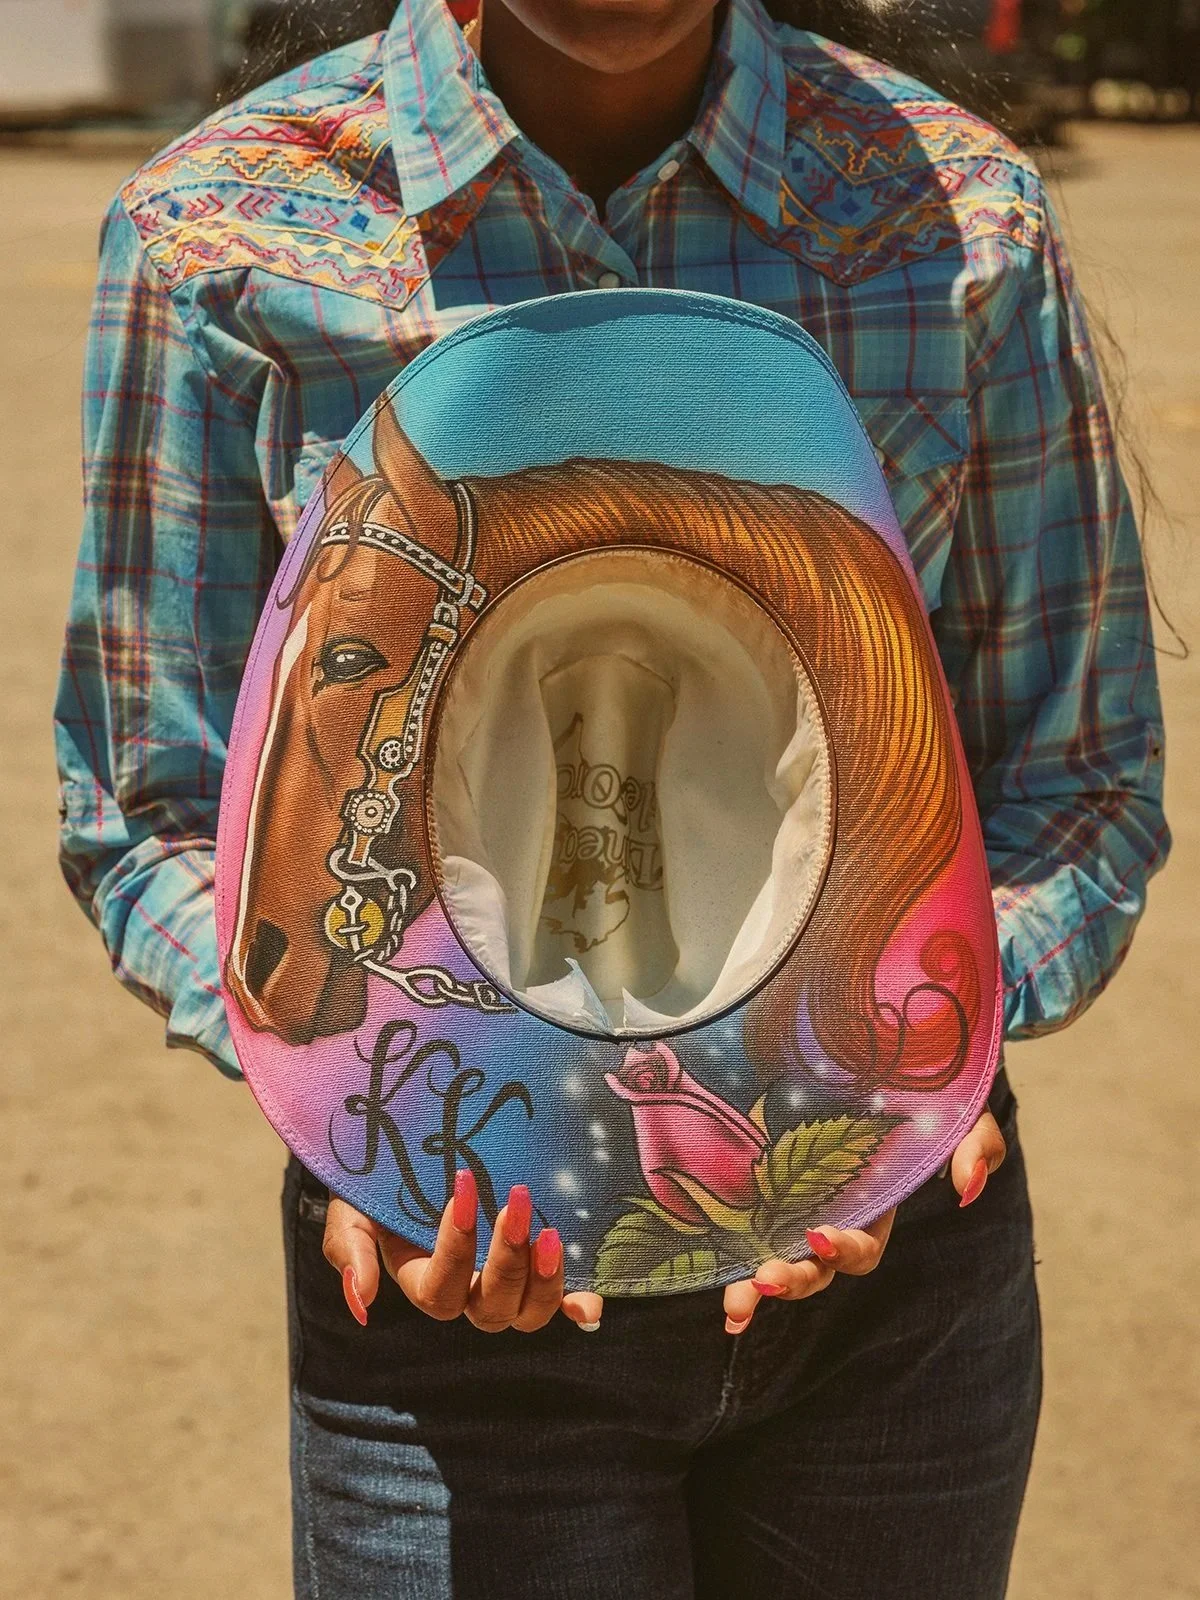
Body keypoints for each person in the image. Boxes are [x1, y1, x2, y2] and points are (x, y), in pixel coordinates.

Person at [54, 0, 1169, 1595]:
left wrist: (903, 1079)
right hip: (451, 1289)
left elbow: (1080, 775)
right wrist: (335, 1093)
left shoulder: (962, 227)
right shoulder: (224, 235)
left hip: (889, 1295)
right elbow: (146, 799)